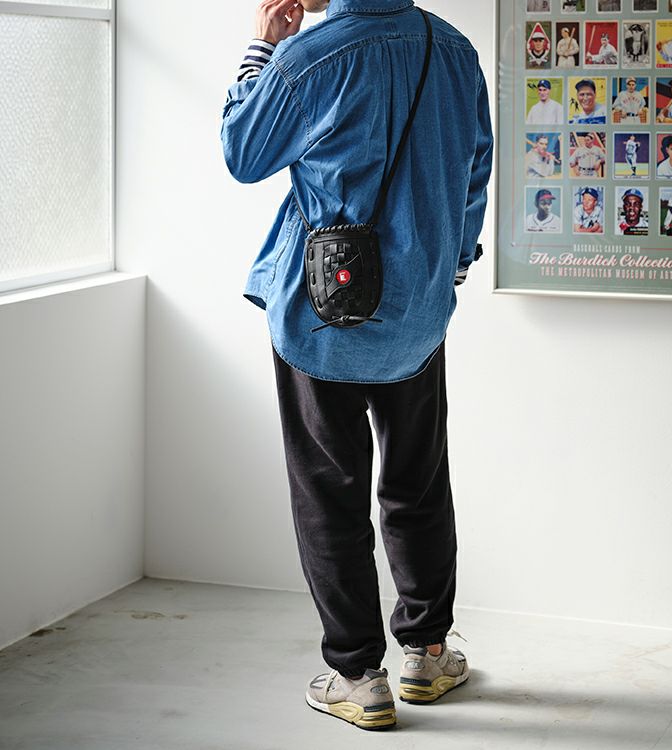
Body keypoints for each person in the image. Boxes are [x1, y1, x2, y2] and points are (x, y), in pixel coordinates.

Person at [220, 0, 492, 731]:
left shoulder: (306, 57)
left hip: (319, 315)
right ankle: (427, 654)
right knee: (417, 483)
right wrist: (451, 268)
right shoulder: (454, 50)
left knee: (328, 495)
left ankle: (357, 676)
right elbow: (475, 169)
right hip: (416, 316)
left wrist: (261, 47)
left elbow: (243, 152)